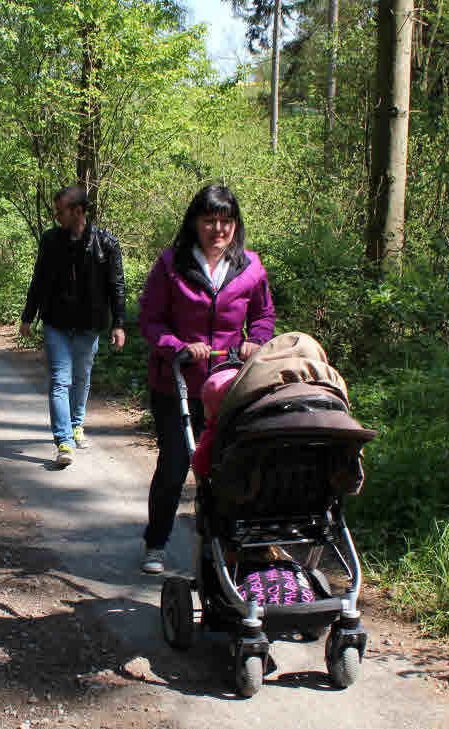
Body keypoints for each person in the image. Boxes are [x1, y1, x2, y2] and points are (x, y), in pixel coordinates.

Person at [137, 185, 276, 574]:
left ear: (236, 225)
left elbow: (263, 315)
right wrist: (178, 345)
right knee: (175, 464)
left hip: (230, 385)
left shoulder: (250, 267)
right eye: (210, 220)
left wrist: (255, 341)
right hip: (176, 383)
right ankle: (156, 543)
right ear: (195, 223)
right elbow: (150, 320)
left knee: (229, 466)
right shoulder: (170, 265)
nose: (218, 229)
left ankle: (226, 546)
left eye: (226, 221)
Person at [20, 186, 126, 467]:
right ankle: (64, 441)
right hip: (56, 322)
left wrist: (119, 324)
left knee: (81, 377)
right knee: (59, 380)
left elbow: (116, 286)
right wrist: (28, 317)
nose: (56, 217)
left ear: (77, 211)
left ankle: (76, 424)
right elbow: (39, 280)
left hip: (89, 325)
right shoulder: (50, 241)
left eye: (60, 212)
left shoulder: (106, 244)